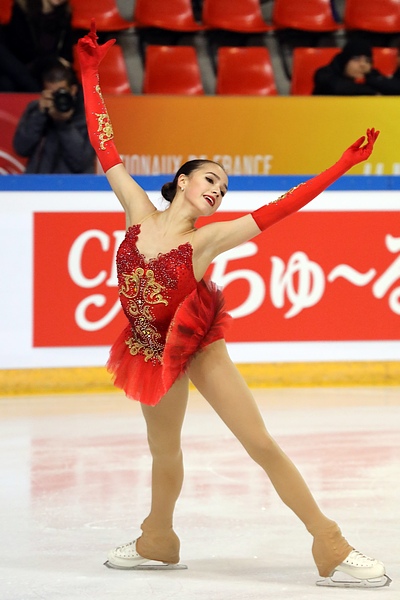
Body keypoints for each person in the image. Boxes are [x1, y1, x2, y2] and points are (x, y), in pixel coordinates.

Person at [77, 22, 391, 588]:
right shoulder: (136, 210)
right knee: (164, 454)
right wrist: (90, 73)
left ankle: (332, 545)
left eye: (223, 188)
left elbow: (281, 208)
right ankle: (158, 540)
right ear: (182, 179)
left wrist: (341, 166)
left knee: (260, 443)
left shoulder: (206, 239)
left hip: (196, 345)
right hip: (148, 350)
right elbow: (105, 143)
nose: (218, 191)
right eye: (210, 179)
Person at [13, 58, 95, 174]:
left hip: (74, 188)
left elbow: (82, 162)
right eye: (52, 94)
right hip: (38, 185)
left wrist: (63, 124)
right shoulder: (36, 109)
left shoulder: (88, 115)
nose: (57, 98)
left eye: (61, 92)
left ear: (73, 90)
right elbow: (21, 148)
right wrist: (39, 115)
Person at [1, 0, 73, 87]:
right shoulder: (21, 10)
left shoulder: (65, 14)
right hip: (23, 68)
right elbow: (21, 51)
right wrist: (52, 59)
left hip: (49, 69)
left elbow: (67, 54)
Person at [313, 40, 400, 96]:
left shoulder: (371, 75)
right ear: (345, 61)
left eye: (368, 61)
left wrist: (372, 80)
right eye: (356, 59)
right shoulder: (324, 74)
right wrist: (372, 92)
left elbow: (394, 87)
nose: (363, 64)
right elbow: (338, 87)